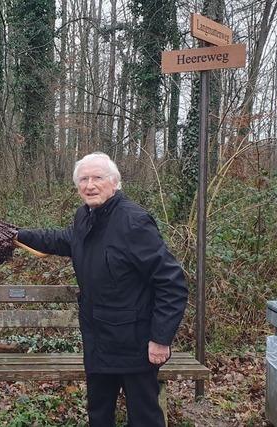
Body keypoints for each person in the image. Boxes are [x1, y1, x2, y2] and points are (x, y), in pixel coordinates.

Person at [16, 152, 188, 427]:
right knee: (98, 413)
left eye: (97, 178)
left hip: (135, 343)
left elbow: (172, 282)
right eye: (83, 179)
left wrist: (161, 338)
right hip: (97, 339)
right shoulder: (85, 216)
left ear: (115, 182)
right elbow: (64, 240)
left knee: (144, 417)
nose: (90, 185)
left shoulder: (134, 222)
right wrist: (17, 234)